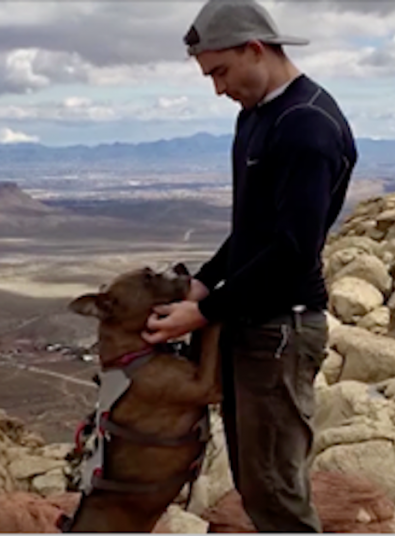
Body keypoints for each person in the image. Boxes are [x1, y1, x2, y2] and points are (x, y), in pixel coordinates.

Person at [142, 0, 357, 531]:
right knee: (256, 481)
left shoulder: (306, 125)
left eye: (221, 71)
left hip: (281, 327)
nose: (218, 88)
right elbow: (254, 229)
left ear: (255, 49)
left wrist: (206, 310)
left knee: (275, 487)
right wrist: (203, 281)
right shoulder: (258, 115)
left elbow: (292, 250)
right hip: (252, 320)